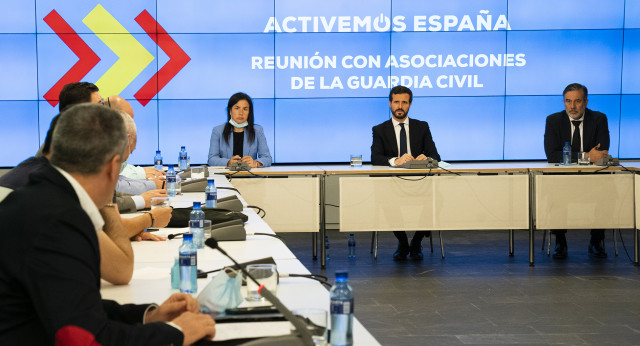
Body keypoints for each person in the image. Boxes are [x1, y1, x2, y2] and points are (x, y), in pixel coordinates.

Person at [0, 104, 215, 344]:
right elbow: (87, 338)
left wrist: (148, 316)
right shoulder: (60, 219)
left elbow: (73, 303)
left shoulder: (41, 197)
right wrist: (176, 333)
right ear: (114, 167)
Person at [371, 85, 441, 261]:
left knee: (437, 198)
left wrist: (426, 158)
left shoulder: (422, 127)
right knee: (385, 198)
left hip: (420, 183)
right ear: (390, 104)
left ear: (410, 105)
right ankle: (402, 242)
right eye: (396, 102)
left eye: (404, 102)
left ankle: (416, 242)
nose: (400, 106)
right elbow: (375, 157)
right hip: (393, 183)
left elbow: (436, 156)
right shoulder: (379, 129)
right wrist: (396, 161)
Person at [543, 83, 610, 259]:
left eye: (577, 101)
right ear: (563, 102)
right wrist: (586, 156)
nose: (572, 107)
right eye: (568, 101)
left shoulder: (599, 119)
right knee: (556, 189)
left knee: (606, 187)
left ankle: (596, 240)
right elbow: (552, 155)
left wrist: (589, 156)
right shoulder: (553, 120)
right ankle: (560, 241)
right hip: (563, 178)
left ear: (586, 102)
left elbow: (602, 152)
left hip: (592, 178)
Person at [208, 92, 272, 167]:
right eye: (237, 108)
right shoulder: (218, 131)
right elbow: (211, 159)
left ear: (249, 112)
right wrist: (228, 162)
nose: (241, 113)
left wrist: (256, 163)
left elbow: (267, 158)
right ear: (230, 111)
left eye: (245, 109)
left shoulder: (257, 130)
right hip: (225, 176)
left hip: (250, 177)